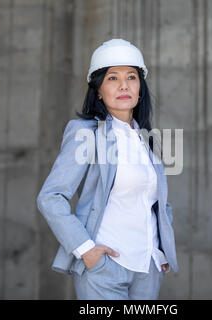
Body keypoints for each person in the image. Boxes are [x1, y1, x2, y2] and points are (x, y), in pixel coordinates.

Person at [37, 38, 178, 300]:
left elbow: (160, 203)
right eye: (113, 78)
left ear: (140, 88)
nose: (124, 85)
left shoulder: (146, 138)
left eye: (132, 77)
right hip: (104, 267)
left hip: (147, 267)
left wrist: (161, 249)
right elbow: (51, 197)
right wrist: (85, 249)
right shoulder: (86, 134)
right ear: (98, 89)